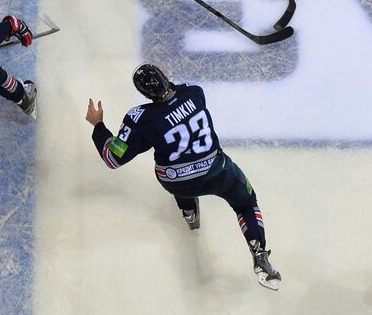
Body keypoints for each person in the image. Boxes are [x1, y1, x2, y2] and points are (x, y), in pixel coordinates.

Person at [83, 65, 281, 290]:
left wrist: (98, 125)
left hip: (174, 180)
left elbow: (113, 157)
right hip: (217, 172)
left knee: (179, 176)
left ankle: (189, 214)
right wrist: (167, 82)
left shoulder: (140, 118)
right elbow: (177, 98)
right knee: (245, 203)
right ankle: (259, 254)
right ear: (165, 78)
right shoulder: (195, 93)